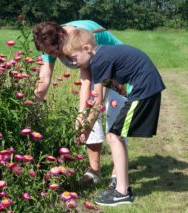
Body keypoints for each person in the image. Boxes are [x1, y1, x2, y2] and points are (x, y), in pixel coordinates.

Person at [62, 29, 165, 206]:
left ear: (87, 48)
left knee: (114, 136)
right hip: (147, 87)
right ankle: (121, 186)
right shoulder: (103, 54)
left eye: (75, 58)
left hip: (145, 89)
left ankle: (122, 192)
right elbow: (100, 96)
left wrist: (85, 129)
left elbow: (97, 102)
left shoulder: (98, 61)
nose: (74, 63)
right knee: (115, 135)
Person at [33, 20, 127, 186]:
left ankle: (117, 174)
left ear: (62, 37)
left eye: (54, 52)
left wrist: (83, 116)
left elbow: (88, 78)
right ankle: (94, 171)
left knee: (115, 119)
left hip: (118, 68)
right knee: (89, 118)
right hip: (95, 70)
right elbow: (45, 77)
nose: (54, 56)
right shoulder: (48, 40)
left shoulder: (83, 38)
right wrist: (33, 105)